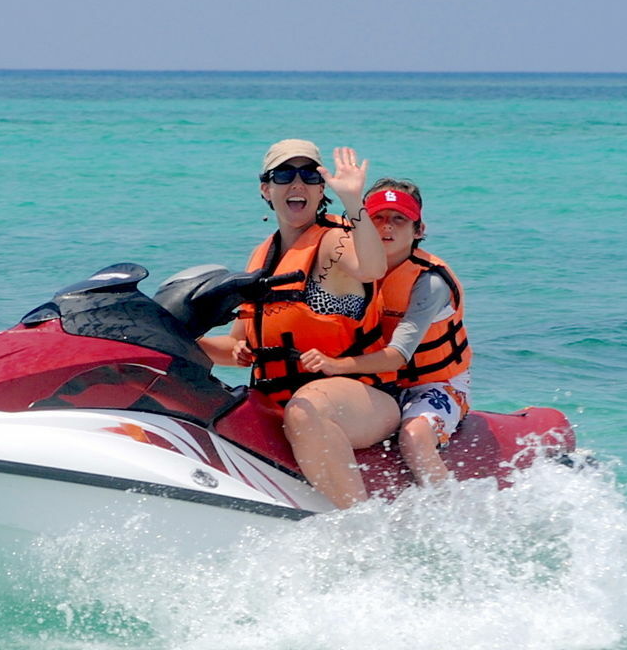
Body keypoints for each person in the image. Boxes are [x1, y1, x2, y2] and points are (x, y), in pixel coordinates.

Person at [198, 140, 396, 507]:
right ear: (266, 189)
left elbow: (372, 268)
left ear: (322, 189)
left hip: (358, 397)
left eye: (309, 175)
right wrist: (169, 340)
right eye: (284, 174)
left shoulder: (334, 240)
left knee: (307, 409)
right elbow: (235, 347)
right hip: (283, 398)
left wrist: (354, 202)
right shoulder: (262, 257)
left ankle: (360, 528)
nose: (297, 184)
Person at [294, 178, 470, 487]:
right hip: (379, 385)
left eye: (399, 219)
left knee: (414, 438)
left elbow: (398, 355)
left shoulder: (429, 283)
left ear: (419, 230)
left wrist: (337, 366)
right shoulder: (349, 268)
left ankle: (449, 512)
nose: (387, 227)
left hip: (435, 385)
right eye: (377, 218)